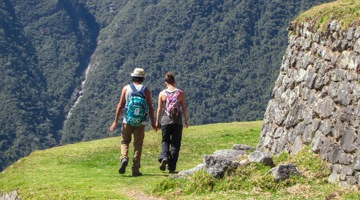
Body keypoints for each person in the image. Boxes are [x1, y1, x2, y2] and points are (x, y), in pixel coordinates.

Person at [109, 67, 156, 177]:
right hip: (141, 122)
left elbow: (120, 105)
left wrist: (115, 121)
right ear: (142, 78)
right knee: (138, 145)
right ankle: (135, 169)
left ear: (133, 77)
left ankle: (124, 158)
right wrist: (153, 123)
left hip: (127, 120)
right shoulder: (146, 90)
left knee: (125, 141)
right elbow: (150, 107)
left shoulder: (126, 88)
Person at [156, 71, 188, 173]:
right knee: (175, 144)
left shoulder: (162, 94)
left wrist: (157, 121)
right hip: (177, 121)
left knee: (165, 141)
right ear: (174, 81)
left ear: (166, 82)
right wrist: (186, 120)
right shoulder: (180, 93)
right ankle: (172, 167)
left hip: (165, 120)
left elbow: (159, 109)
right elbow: (184, 108)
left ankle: (164, 156)